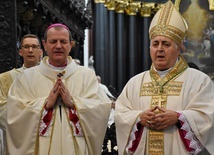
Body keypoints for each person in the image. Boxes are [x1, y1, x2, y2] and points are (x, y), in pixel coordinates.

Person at [114, 1, 214, 155]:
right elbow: (121, 114)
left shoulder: (199, 81)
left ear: (179, 47)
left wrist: (179, 118)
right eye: (155, 44)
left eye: (166, 44)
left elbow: (209, 116)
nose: (159, 49)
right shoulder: (135, 83)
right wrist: (138, 118)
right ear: (150, 48)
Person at [6, 23, 111, 155]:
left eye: (63, 41)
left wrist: (73, 103)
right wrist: (45, 104)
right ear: (44, 45)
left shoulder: (86, 75)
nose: (58, 46)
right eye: (53, 41)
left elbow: (101, 108)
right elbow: (15, 112)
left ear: (71, 44)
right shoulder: (27, 77)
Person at [0, 34, 43, 155]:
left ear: (40, 52)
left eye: (34, 47)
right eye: (26, 47)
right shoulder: (5, 78)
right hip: (16, 139)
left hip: (43, 136)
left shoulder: (51, 77)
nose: (30, 50)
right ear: (20, 52)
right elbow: (1, 109)